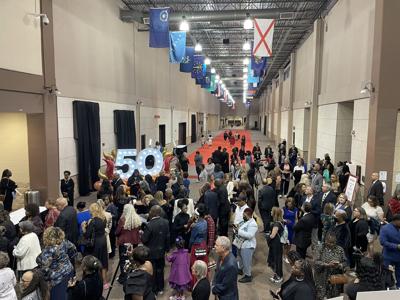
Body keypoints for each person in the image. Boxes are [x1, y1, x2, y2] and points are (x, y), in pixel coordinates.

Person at [36, 227, 77, 300]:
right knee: (69, 293)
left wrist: (48, 278)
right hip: (69, 271)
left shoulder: (48, 250)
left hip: (57, 279)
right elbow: (74, 250)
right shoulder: (65, 242)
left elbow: (44, 268)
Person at [141, 205, 170, 295]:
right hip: (161, 252)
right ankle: (161, 288)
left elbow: (144, 240)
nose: (149, 213)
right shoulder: (166, 222)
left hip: (151, 253)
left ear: (154, 213)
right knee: (160, 270)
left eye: (150, 211)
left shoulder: (149, 225)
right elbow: (167, 237)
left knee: (152, 271)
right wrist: (167, 249)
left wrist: (142, 234)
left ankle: (154, 290)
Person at [82, 203, 109, 290]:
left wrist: (83, 228)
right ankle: (105, 282)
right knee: (104, 261)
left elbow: (87, 235)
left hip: (96, 243)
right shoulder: (103, 218)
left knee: (95, 262)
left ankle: (96, 283)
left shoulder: (92, 221)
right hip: (103, 241)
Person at [314, 231, 347, 299]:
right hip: (322, 278)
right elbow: (315, 262)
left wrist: (340, 265)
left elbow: (345, 263)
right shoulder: (319, 248)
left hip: (335, 279)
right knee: (321, 296)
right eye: (330, 242)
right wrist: (327, 265)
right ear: (325, 240)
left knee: (334, 297)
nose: (332, 244)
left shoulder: (340, 249)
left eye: (334, 242)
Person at [115, 203, 142, 284]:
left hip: (124, 243)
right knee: (133, 259)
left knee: (124, 261)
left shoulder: (122, 219)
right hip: (134, 242)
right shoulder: (137, 218)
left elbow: (117, 232)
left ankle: (124, 277)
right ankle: (133, 275)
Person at [235, 207, 257, 283]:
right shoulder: (245, 221)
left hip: (248, 246)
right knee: (240, 258)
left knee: (246, 261)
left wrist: (239, 231)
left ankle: (248, 275)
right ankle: (240, 269)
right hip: (241, 243)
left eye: (244, 215)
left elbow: (250, 235)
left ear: (248, 215)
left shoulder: (253, 224)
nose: (243, 216)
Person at [379, 213, 400, 288]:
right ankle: (386, 288)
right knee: (386, 274)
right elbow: (383, 242)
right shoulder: (385, 228)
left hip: (399, 257)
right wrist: (396, 246)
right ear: (396, 221)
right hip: (389, 256)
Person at [268, 207, 285, 283]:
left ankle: (279, 276)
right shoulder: (280, 221)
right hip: (277, 243)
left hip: (276, 244)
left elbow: (272, 235)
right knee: (276, 259)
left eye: (272, 211)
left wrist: (268, 236)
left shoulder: (276, 224)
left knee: (277, 260)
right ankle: (276, 274)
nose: (270, 212)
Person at [283, 198, 298, 262]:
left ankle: (287, 254)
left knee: (290, 243)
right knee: (285, 243)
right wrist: (285, 220)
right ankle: (284, 255)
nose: (289, 205)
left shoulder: (295, 209)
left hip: (292, 228)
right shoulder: (284, 209)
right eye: (287, 203)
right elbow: (280, 218)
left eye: (290, 204)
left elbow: (296, 218)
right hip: (285, 228)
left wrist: (296, 224)